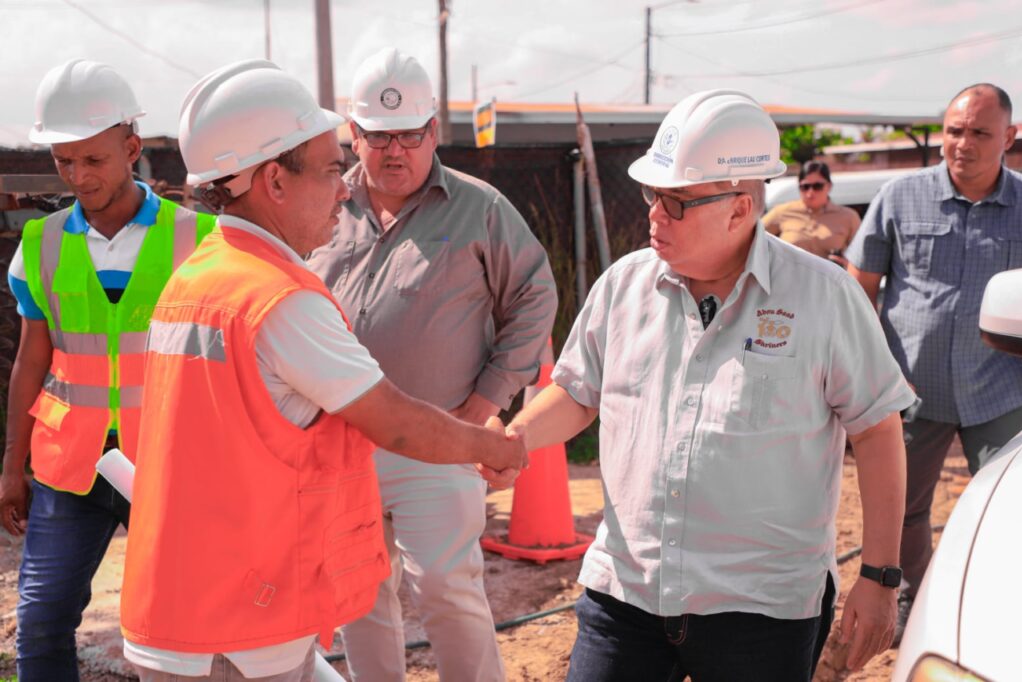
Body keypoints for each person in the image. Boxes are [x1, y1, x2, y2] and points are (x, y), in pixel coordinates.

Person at [118, 59, 527, 682]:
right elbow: (395, 422)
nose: (345, 189)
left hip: (185, 612)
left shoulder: (197, 276)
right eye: (334, 170)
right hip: (238, 633)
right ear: (275, 182)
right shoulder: (279, 299)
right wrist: (489, 444)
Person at [497, 90, 916, 681]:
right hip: (626, 591)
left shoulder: (824, 297)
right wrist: (516, 439)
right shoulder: (624, 286)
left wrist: (879, 576)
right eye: (652, 194)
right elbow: (577, 392)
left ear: (740, 208)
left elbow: (877, 432)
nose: (654, 213)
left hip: (761, 609)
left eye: (676, 201)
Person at [306, 48, 556, 682]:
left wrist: (485, 404)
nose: (397, 151)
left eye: (411, 135)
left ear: (434, 131)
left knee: (446, 584)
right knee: (359, 592)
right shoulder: (320, 206)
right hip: (341, 439)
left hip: (439, 439)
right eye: (380, 136)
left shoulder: (481, 208)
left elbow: (535, 295)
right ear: (353, 134)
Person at [0, 59, 215, 681]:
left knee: (190, 621)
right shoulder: (39, 245)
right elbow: (30, 359)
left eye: (92, 159)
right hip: (73, 466)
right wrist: (13, 466)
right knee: (41, 621)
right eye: (64, 161)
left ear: (131, 148)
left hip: (170, 464)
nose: (77, 175)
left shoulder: (198, 239)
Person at [845, 82, 1022, 641]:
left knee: (1012, 513)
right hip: (910, 392)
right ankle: (911, 606)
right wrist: (873, 375)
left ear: (1010, 137)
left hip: (1001, 392)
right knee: (903, 512)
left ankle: (1003, 616)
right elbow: (860, 290)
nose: (962, 144)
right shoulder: (899, 197)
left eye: (979, 133)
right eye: (953, 130)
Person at [762, 160, 860, 265]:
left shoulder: (849, 217)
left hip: (829, 279)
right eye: (805, 187)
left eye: (817, 186)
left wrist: (847, 264)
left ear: (829, 186)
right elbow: (752, 237)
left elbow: (862, 256)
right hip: (789, 279)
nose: (810, 192)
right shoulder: (781, 212)